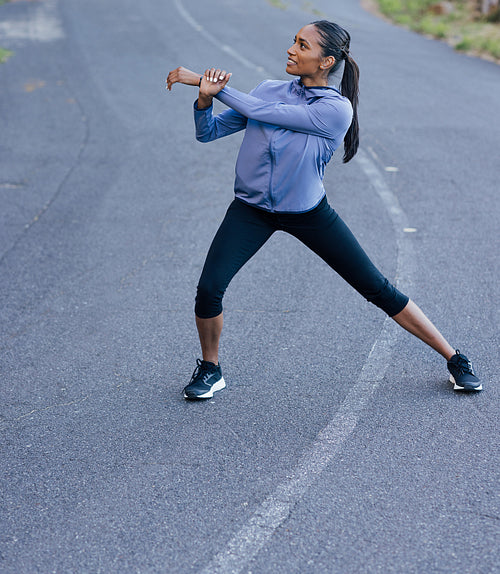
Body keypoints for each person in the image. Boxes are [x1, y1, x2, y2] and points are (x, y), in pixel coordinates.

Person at [166, 20, 482, 399]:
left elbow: (267, 114)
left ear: (326, 61)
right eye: (293, 41)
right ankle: (211, 368)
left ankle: (454, 357)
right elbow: (208, 133)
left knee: (377, 288)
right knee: (209, 288)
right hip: (250, 209)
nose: (291, 49)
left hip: (307, 212)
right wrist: (203, 98)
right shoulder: (268, 90)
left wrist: (205, 80)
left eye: (303, 45)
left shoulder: (335, 109)